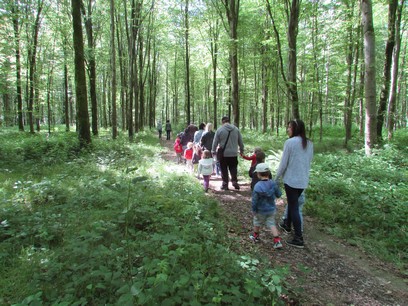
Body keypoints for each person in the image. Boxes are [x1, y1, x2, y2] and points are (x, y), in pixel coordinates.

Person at [275, 119, 313, 248]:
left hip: (291, 180)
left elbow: (283, 163)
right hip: (303, 180)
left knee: (294, 206)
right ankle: (287, 224)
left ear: (295, 129)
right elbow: (308, 161)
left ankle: (298, 238)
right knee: (293, 204)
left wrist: (276, 178)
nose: (288, 129)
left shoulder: (290, 142)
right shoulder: (309, 143)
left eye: (289, 127)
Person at [250, 163, 283, 249]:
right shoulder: (273, 184)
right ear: (268, 173)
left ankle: (256, 236)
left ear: (258, 174)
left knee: (257, 222)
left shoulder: (257, 186)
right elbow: (279, 194)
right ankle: (277, 241)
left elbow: (254, 200)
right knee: (272, 223)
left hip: (260, 210)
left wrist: (254, 210)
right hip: (271, 209)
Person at [211, 116, 244, 191]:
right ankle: (234, 181)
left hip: (223, 154)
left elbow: (215, 142)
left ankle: (225, 184)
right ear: (229, 121)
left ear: (222, 122)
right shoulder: (236, 129)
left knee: (224, 169)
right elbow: (240, 141)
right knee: (233, 168)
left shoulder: (220, 130)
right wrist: (241, 150)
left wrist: (213, 151)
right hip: (233, 153)